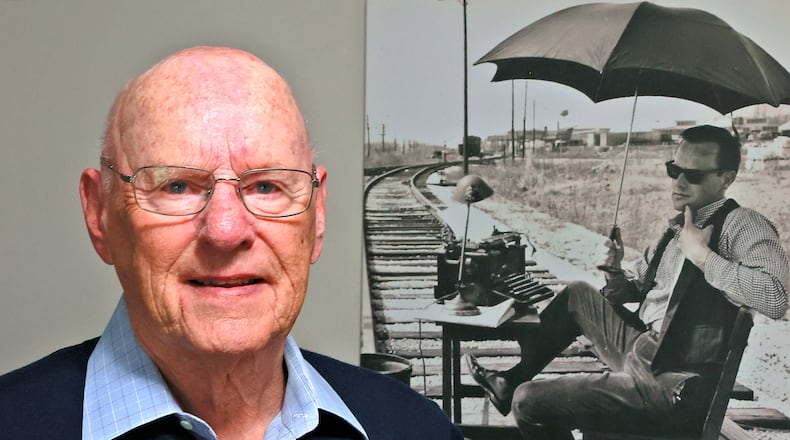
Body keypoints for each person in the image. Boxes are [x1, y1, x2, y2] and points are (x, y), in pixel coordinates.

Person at [0, 46, 462, 440]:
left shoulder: (416, 428)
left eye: (266, 187)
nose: (225, 231)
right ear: (99, 213)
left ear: (316, 216)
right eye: (176, 186)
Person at [465, 124, 789, 438]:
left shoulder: (742, 225)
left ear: (726, 179)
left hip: (667, 386)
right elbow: (635, 289)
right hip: (647, 350)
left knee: (530, 402)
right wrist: (614, 270)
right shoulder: (680, 224)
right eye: (674, 169)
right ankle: (509, 381)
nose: (678, 181)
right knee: (578, 294)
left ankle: (518, 394)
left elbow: (775, 298)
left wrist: (702, 256)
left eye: (693, 175)